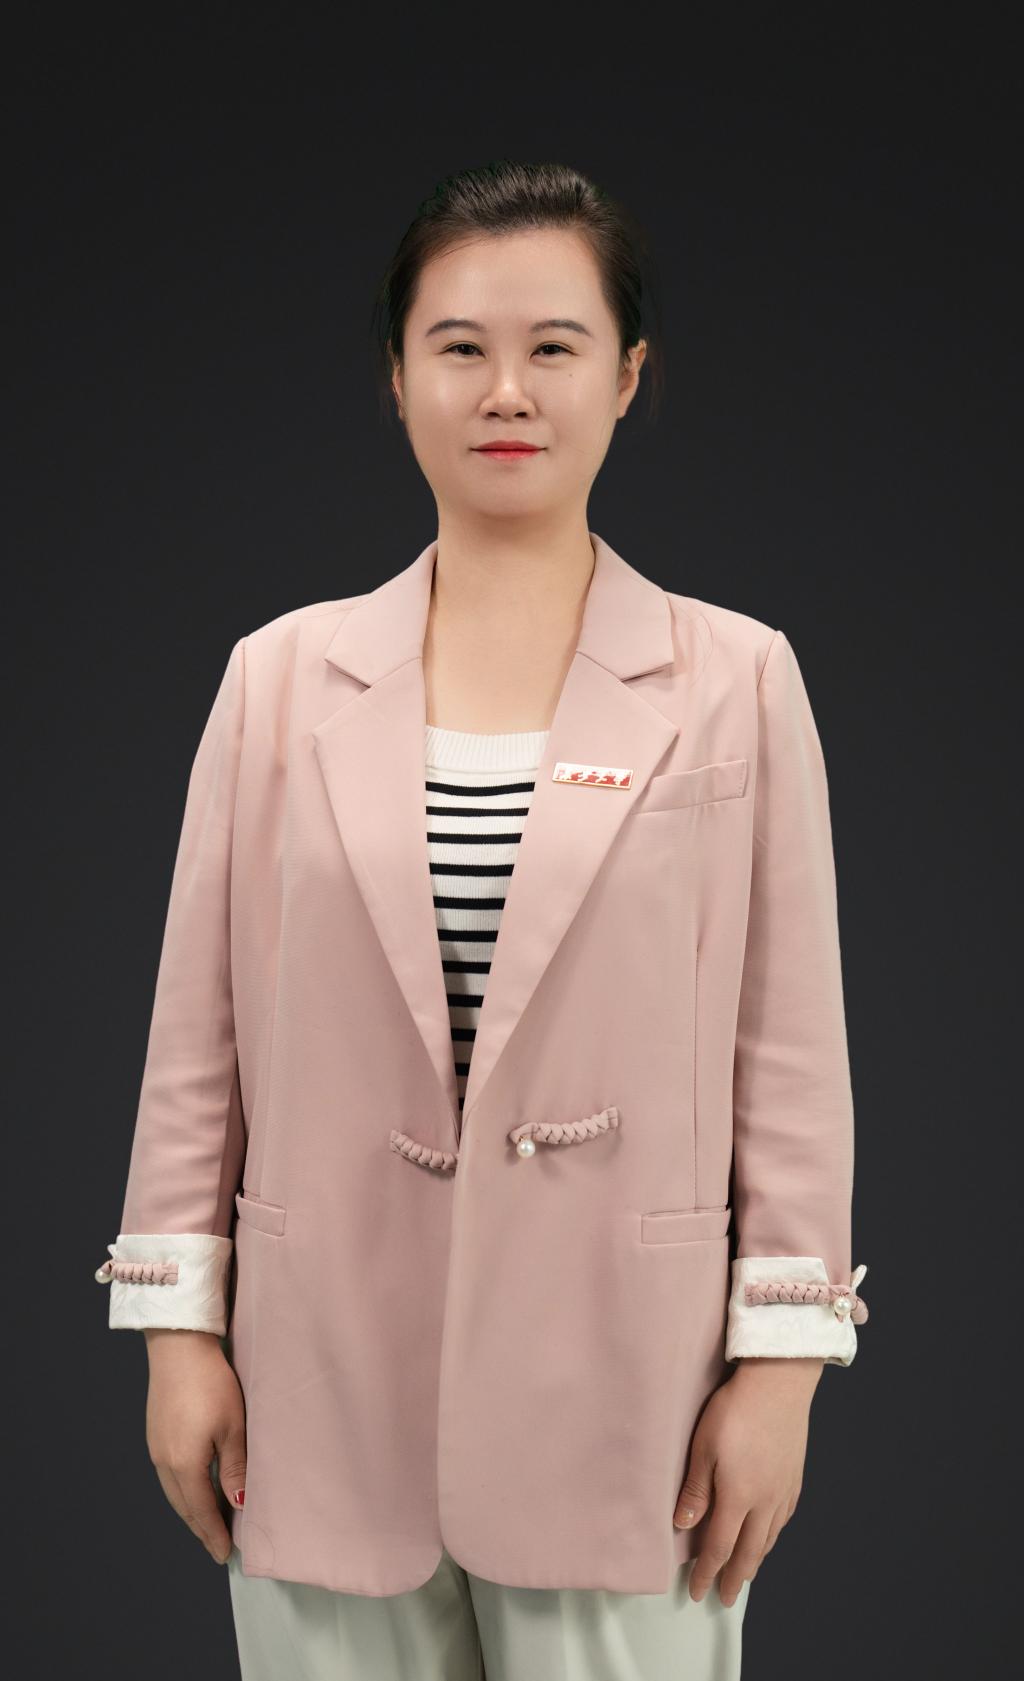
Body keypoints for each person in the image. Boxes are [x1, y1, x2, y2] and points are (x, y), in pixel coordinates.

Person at [96, 159, 868, 1681]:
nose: (505, 389)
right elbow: (199, 1039)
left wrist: (781, 1369)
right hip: (321, 1379)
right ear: (397, 379)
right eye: (458, 346)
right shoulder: (277, 679)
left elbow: (790, 1056)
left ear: (627, 376)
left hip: (633, 1393)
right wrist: (179, 1334)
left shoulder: (737, 679)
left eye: (553, 346)